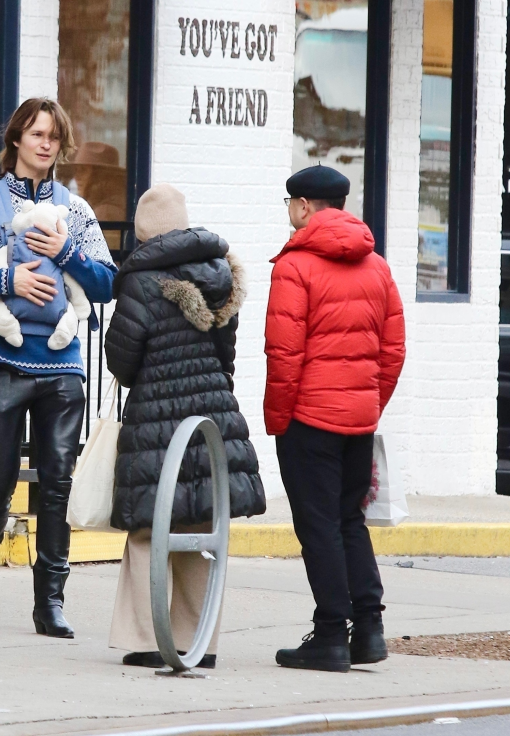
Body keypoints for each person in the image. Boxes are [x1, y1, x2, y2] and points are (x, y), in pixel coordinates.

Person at [0, 98, 116, 638]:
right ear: (15, 139)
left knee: (57, 483)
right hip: (2, 360)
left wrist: (67, 254)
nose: (44, 144)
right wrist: (4, 282)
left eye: (53, 137)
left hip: (63, 364)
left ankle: (51, 602)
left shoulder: (75, 211)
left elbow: (107, 283)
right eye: (35, 134)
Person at [104, 183, 265, 669]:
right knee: (200, 524)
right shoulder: (220, 274)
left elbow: (123, 362)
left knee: (149, 529)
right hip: (214, 414)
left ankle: (147, 637)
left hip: (157, 414)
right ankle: (202, 642)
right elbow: (225, 353)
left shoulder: (141, 281)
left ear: (144, 233)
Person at [266, 165, 406, 673]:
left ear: (304, 206)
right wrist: (368, 403)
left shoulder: (295, 265)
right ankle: (368, 629)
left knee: (318, 525)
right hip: (358, 420)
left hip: (309, 419)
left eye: (289, 205)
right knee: (349, 520)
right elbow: (393, 352)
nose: (288, 215)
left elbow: (283, 355)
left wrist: (280, 420)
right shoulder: (378, 267)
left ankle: (329, 635)